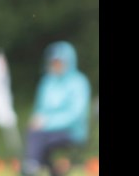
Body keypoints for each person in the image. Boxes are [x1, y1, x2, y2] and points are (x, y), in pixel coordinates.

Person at [20, 41, 91, 176]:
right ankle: (35, 166)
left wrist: (47, 122)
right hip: (45, 131)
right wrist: (38, 120)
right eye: (53, 62)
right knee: (34, 131)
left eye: (59, 62)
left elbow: (76, 114)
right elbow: (40, 108)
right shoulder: (47, 82)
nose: (56, 65)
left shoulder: (79, 82)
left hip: (71, 130)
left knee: (37, 135)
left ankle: (31, 166)